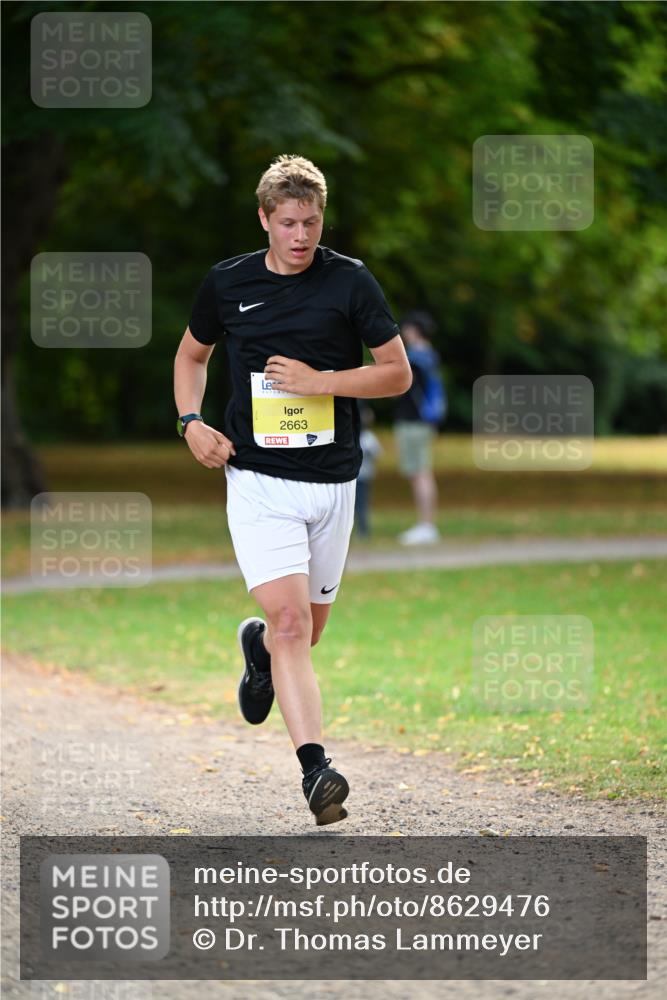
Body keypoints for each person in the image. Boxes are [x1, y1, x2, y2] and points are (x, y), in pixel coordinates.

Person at [174, 155, 411, 825]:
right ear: (264, 220)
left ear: (321, 218)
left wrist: (321, 380)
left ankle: (258, 653)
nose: (300, 235)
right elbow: (191, 356)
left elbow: (394, 375)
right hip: (256, 480)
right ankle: (317, 771)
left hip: (331, 482)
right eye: (287, 223)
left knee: (303, 636)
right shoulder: (227, 283)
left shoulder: (350, 283)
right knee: (291, 622)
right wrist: (191, 422)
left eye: (310, 222)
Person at [394, 310, 444, 545]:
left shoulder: (414, 358)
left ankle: (426, 525)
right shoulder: (430, 355)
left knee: (420, 473)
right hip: (424, 423)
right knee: (421, 472)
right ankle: (426, 524)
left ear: (413, 330)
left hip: (414, 423)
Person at [354, 404, 382, 539]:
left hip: (364, 477)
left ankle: (363, 530)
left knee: (362, 505)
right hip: (352, 478)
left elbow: (377, 454)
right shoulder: (352, 436)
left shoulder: (369, 438)